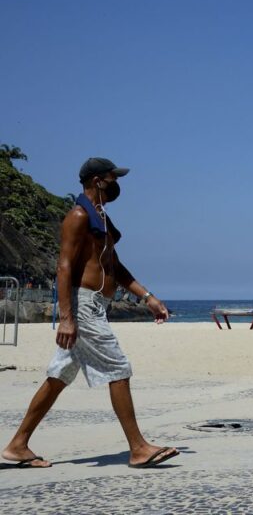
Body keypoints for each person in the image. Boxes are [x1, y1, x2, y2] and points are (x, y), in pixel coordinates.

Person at [1, 158, 179, 469]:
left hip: (97, 305)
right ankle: (138, 448)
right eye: (113, 177)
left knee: (59, 376)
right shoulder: (78, 216)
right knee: (118, 367)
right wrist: (67, 318)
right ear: (97, 180)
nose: (117, 183)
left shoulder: (102, 220)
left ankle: (18, 445)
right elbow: (64, 267)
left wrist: (148, 297)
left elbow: (116, 268)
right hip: (84, 307)